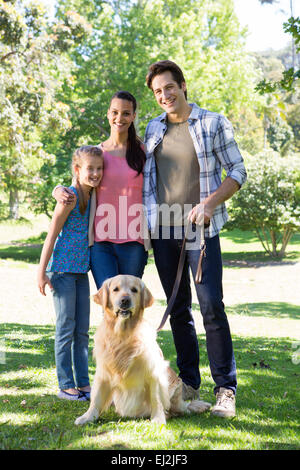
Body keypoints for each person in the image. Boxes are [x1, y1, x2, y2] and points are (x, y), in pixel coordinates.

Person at [144, 60, 247, 417]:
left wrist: (209, 203)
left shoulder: (213, 122)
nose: (164, 96)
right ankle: (189, 380)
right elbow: (146, 181)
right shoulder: (152, 128)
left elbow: (237, 170)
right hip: (164, 231)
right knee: (178, 310)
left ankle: (226, 388)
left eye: (169, 87)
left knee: (211, 306)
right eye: (157, 91)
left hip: (201, 231)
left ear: (183, 85)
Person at [53, 91, 148, 290]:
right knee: (109, 304)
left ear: (133, 116)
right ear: (108, 114)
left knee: (128, 306)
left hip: (134, 242)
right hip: (100, 243)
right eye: (115, 112)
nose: (119, 118)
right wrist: (57, 190)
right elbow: (77, 186)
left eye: (125, 113)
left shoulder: (143, 153)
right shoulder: (98, 153)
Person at [37, 145, 104, 401]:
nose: (95, 173)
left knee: (82, 331)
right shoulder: (70, 197)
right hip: (62, 271)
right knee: (66, 328)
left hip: (80, 272)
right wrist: (41, 272)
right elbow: (52, 235)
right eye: (90, 168)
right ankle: (65, 384)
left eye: (99, 168)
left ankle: (84, 383)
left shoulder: (95, 194)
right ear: (77, 170)